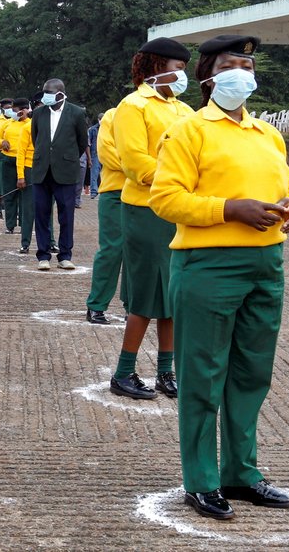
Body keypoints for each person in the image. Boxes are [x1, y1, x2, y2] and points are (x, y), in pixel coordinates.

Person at [150, 34, 289, 521]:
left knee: (252, 373)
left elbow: (287, 184)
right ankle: (201, 479)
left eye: (249, 65)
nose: (244, 72)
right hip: (208, 264)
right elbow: (166, 199)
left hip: (265, 264)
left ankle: (242, 472)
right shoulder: (190, 131)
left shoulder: (266, 134)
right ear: (209, 75)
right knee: (203, 374)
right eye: (234, 63)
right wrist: (229, 208)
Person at [109, 37, 193, 400]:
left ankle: (165, 371)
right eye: (178, 68)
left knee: (172, 295)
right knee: (146, 293)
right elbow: (134, 161)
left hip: (176, 209)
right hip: (145, 209)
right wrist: (175, 177)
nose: (182, 75)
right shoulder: (134, 105)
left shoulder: (183, 110)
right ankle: (123, 372)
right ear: (158, 67)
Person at [28, 79, 88, 271]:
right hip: (42, 170)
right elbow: (35, 137)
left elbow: (81, 141)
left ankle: (65, 255)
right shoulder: (38, 113)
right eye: (44, 92)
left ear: (61, 94)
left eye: (49, 92)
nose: (46, 96)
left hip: (65, 171)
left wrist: (66, 158)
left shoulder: (77, 113)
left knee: (66, 215)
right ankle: (43, 255)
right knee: (42, 214)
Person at [85, 108, 124, 325]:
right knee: (112, 249)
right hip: (117, 191)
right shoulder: (113, 115)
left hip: (154, 193)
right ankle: (97, 305)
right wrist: (146, 169)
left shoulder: (179, 112)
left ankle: (135, 307)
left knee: (142, 254)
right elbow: (107, 153)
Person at [0, 98, 35, 253]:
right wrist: (1, 142)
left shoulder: (32, 124)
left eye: (16, 110)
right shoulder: (8, 124)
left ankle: (24, 225)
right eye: (12, 111)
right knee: (10, 194)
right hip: (10, 160)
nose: (13, 113)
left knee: (26, 199)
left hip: (28, 164)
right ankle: (10, 224)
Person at [87, 113, 102, 199]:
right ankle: (93, 192)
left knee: (103, 174)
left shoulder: (107, 128)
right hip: (95, 154)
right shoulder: (92, 129)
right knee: (94, 173)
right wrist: (89, 157)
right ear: (98, 119)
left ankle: (100, 190)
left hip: (104, 153)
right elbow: (89, 143)